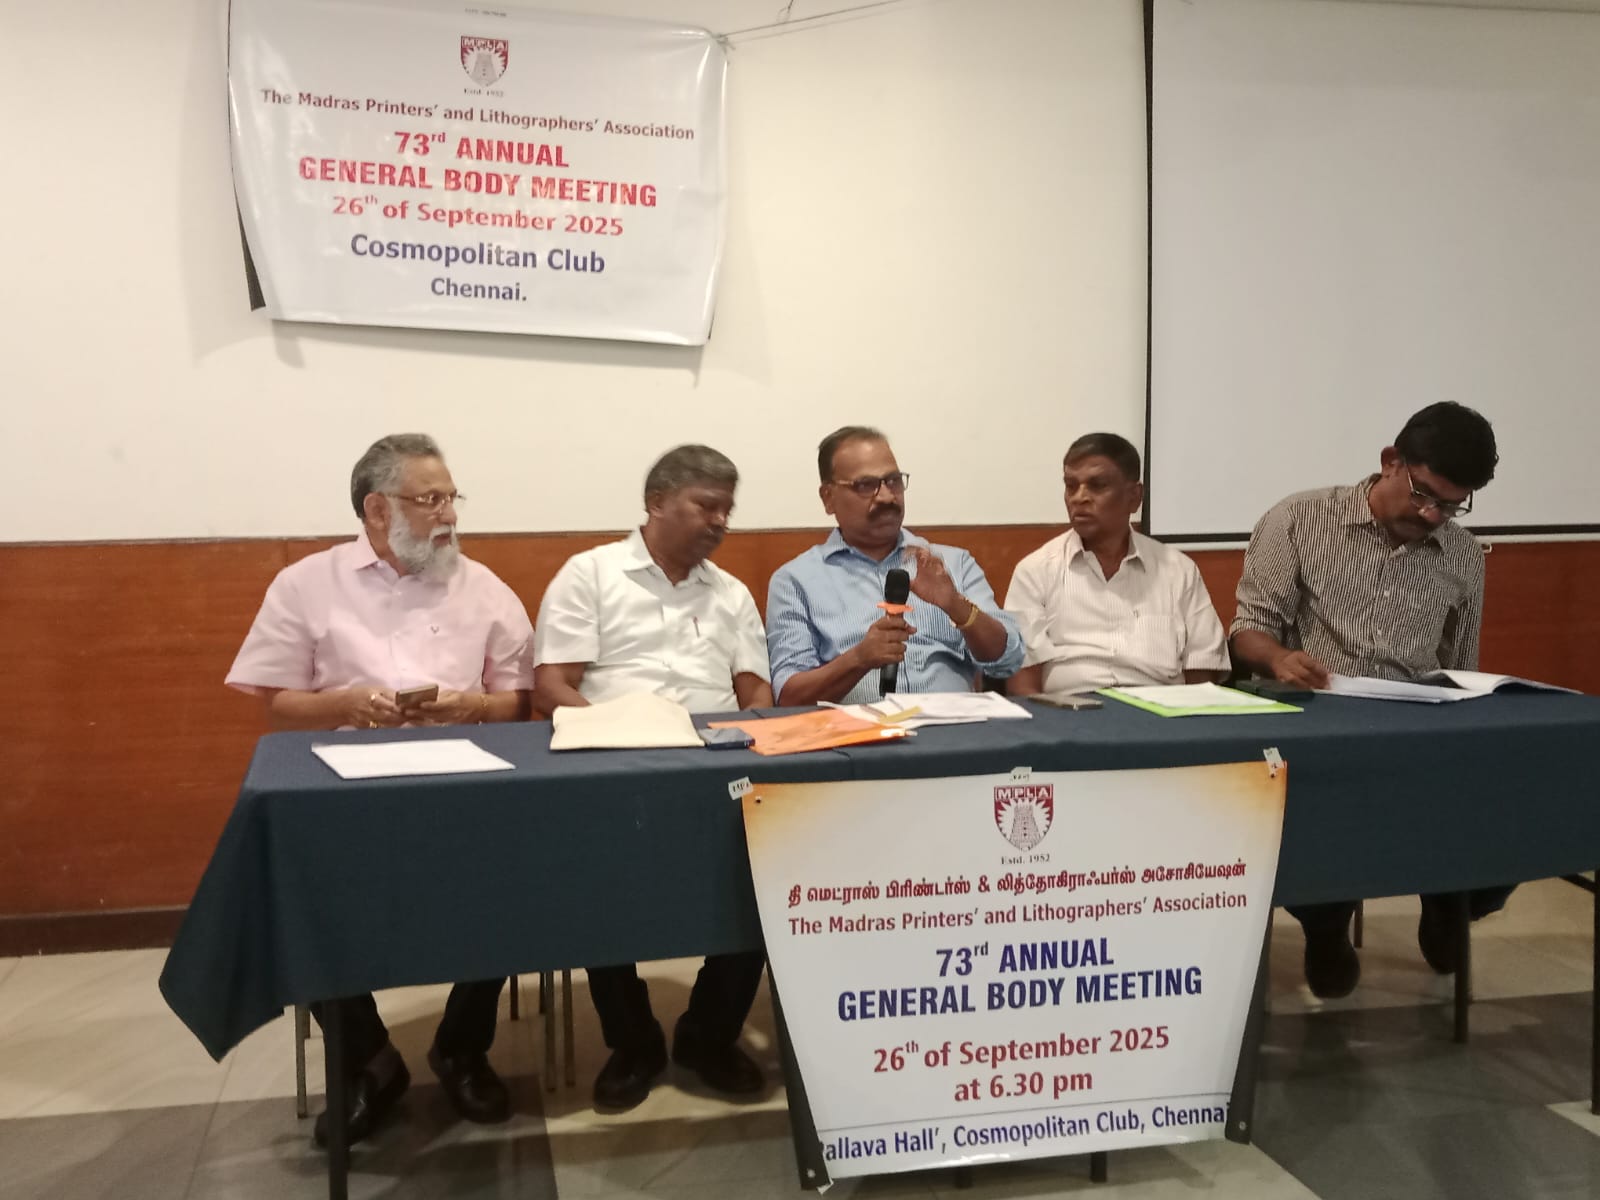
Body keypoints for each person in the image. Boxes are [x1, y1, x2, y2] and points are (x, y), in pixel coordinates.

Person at [225, 433, 534, 1146]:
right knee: (293, 896)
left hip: (464, 782)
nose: (449, 514)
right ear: (376, 509)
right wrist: (342, 703)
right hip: (343, 787)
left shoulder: (484, 587)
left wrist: (471, 705)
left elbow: (520, 703)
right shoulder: (305, 584)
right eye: (430, 499)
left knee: (518, 877)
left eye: (452, 497)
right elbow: (275, 703)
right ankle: (370, 1060)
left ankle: (462, 1047)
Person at [1229, 402, 1505, 998]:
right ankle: (1326, 926)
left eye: (1451, 506)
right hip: (1320, 733)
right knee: (1310, 817)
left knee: (1513, 801)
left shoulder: (1462, 553)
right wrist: (1279, 659)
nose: (1432, 516)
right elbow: (1248, 629)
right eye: (1424, 495)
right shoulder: (1298, 519)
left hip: (1417, 734)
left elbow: (1462, 668)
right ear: (1390, 462)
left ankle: (1450, 903)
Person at [533, 444, 771, 1112]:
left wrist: (750, 743)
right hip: (616, 764)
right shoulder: (591, 574)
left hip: (716, 764)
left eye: (727, 509)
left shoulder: (731, 593)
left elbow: (756, 693)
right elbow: (551, 688)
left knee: (764, 871)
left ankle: (709, 1036)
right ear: (657, 502)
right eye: (706, 505)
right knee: (598, 887)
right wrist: (618, 734)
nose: (720, 521)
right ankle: (632, 1043)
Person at [766, 426, 1023, 704]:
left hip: (954, 725)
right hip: (859, 729)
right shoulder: (795, 581)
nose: (887, 497)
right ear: (828, 498)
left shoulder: (951, 564)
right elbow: (789, 697)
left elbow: (1007, 661)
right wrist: (858, 659)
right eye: (866, 485)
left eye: (893, 481)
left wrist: (957, 606)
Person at [1003, 433, 1229, 696]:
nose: (1079, 498)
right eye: (1071, 486)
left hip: (1160, 711)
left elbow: (1203, 675)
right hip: (1069, 711)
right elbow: (1023, 686)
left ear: (1134, 497)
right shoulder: (1036, 571)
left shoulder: (1178, 571)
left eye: (1097, 485)